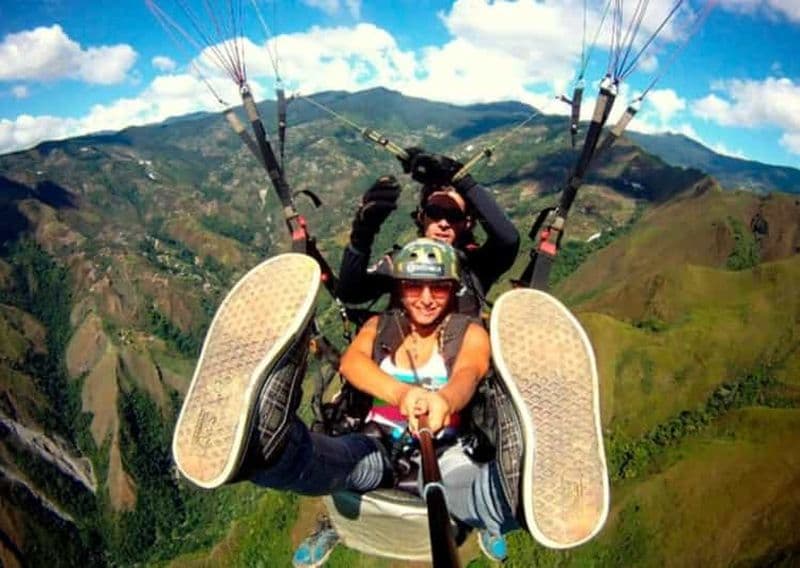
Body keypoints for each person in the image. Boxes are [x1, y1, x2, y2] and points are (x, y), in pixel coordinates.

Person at [248, 240, 523, 564]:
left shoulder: (469, 333)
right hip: (378, 442)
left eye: (438, 288)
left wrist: (445, 401)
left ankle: (515, 493)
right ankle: (266, 448)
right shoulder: (380, 327)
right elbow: (352, 363)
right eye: (414, 286)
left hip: (444, 448)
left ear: (452, 289)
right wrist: (402, 395)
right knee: (333, 460)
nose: (426, 299)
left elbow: (469, 373)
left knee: (469, 490)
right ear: (400, 288)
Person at [337, 150, 520, 317]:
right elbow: (351, 293)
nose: (443, 223)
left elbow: (508, 239)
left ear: (467, 223)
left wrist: (463, 180)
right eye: (435, 213)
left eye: (454, 216)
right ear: (422, 217)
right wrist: (362, 234)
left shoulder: (475, 265)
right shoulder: (401, 261)